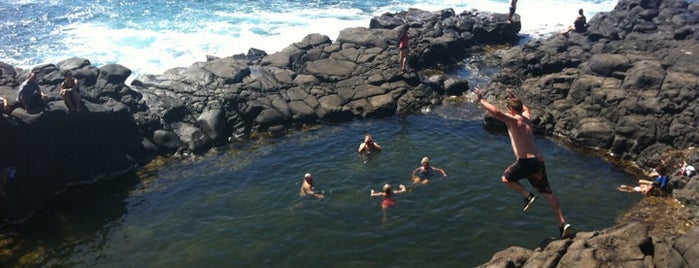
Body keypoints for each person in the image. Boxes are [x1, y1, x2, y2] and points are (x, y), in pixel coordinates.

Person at [474, 87, 572, 238]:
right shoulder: (527, 116)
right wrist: (515, 96)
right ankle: (562, 224)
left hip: (526, 162)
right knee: (548, 193)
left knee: (506, 178)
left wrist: (481, 100)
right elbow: (525, 108)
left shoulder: (515, 120)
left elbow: (496, 112)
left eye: (510, 110)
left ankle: (528, 195)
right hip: (538, 161)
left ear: (512, 111)